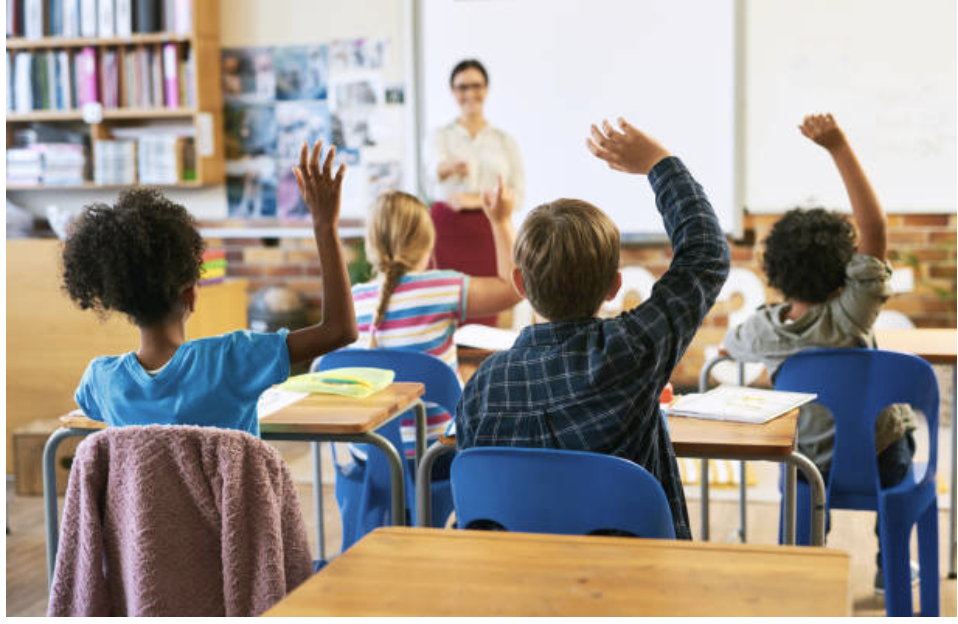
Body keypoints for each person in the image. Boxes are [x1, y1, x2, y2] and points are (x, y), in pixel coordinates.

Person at [456, 118, 731, 539]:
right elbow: (706, 253)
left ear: (520, 286)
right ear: (614, 287)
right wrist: (660, 163)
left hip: (517, 585)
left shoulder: (483, 386)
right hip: (634, 585)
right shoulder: (630, 352)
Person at [723, 113, 917, 593]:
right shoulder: (852, 314)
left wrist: (773, 376)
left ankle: (801, 570)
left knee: (797, 478)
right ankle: (889, 566)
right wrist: (838, 147)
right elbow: (874, 229)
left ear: (775, 271)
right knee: (898, 440)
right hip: (879, 455)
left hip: (808, 464)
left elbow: (729, 350)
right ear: (845, 272)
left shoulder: (764, 331)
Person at [66, 140, 358, 436]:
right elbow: (340, 330)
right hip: (233, 485)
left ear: (120, 301)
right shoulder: (232, 360)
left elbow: (88, 407)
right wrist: (324, 225)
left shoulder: (102, 381)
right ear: (190, 294)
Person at [347, 178, 522, 470]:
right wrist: (501, 220)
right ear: (428, 242)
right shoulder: (442, 287)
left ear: (371, 244)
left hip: (370, 457)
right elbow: (514, 287)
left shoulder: (353, 300)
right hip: (434, 457)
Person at [426, 59, 525, 326]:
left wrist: (473, 199)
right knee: (443, 303)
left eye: (476, 86)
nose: (470, 93)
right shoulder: (439, 137)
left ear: (486, 89)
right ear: (453, 91)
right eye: (462, 87)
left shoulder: (504, 141)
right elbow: (429, 177)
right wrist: (447, 167)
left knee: (489, 304)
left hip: (490, 228)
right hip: (446, 229)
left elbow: (517, 193)